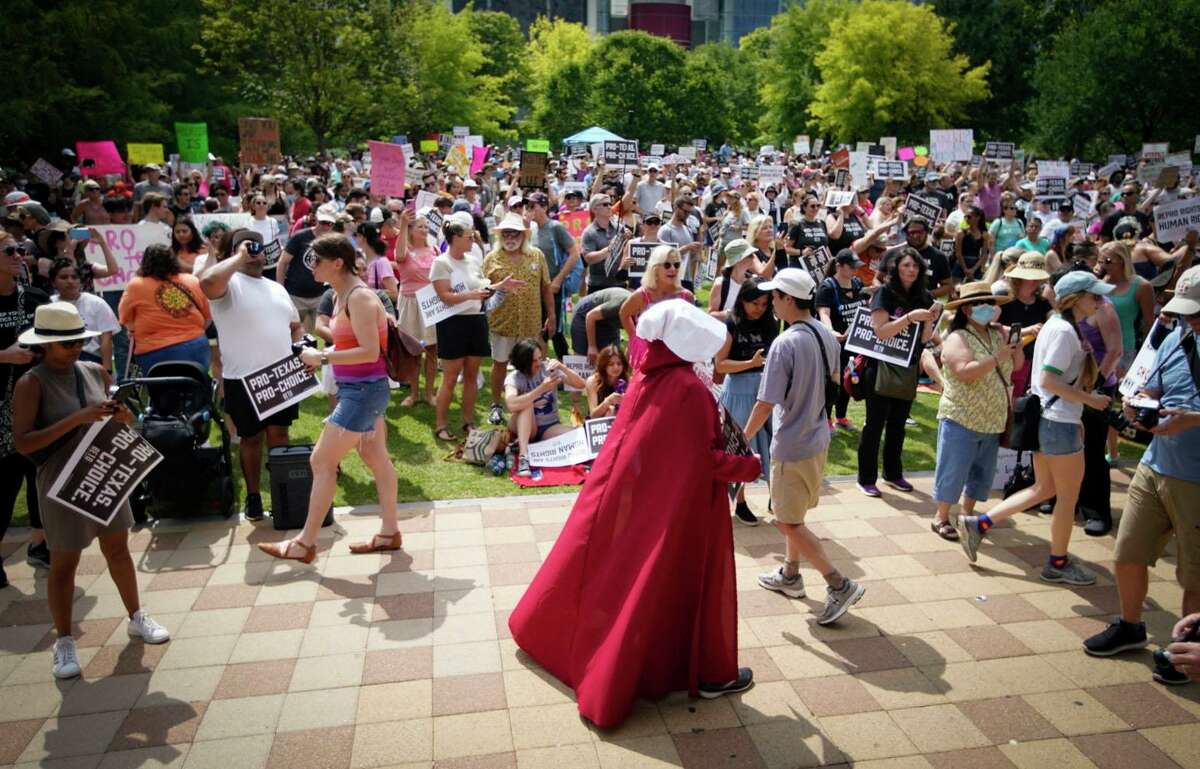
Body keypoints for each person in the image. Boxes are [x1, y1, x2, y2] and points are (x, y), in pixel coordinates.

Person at [508, 299, 762, 728]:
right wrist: (749, 466)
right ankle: (705, 672)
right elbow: (704, 460)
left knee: (640, 582)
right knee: (676, 585)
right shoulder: (689, 388)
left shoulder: (649, 375)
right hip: (685, 507)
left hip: (649, 501)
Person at [12, 303, 170, 678]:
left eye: (78, 340)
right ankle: (64, 641)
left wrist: (123, 417)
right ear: (44, 346)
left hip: (103, 471)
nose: (74, 348)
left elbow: (123, 418)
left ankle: (136, 615)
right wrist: (77, 419)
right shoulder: (31, 383)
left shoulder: (94, 370)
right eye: (66, 344)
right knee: (64, 563)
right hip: (59, 478)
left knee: (118, 549)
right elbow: (23, 443)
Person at [956, 271, 1115, 585]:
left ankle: (980, 524)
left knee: (1045, 489)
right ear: (1075, 299)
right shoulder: (1064, 332)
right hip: (1059, 421)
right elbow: (1048, 380)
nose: (1100, 301)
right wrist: (1089, 400)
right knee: (1066, 498)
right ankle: (1057, 562)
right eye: (1094, 296)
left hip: (1051, 419)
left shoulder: (1060, 326)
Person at [1082, 265, 1200, 684]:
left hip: (1195, 478)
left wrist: (1193, 418)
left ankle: (1189, 652)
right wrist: (1141, 401)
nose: (1190, 319)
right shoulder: (1177, 337)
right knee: (1128, 552)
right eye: (1185, 312)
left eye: (1196, 312)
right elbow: (1155, 385)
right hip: (1155, 464)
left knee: (1194, 572)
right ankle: (1130, 625)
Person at [259, 234, 400, 563]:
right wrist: (318, 354)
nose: (310, 267)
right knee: (376, 458)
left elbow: (368, 351)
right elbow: (356, 345)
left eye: (316, 260)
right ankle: (390, 532)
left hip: (364, 391)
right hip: (360, 390)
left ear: (337, 262)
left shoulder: (359, 298)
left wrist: (322, 358)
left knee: (321, 461)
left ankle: (304, 544)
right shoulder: (341, 295)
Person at [743, 268, 866, 624]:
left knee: (786, 521)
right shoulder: (827, 335)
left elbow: (765, 403)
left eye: (775, 298)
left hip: (792, 443)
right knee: (794, 514)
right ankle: (789, 573)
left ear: (788, 299)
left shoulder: (785, 343)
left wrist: (742, 440)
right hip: (817, 436)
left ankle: (837, 583)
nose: (771, 305)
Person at [199, 229, 302, 521]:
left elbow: (295, 325)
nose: (255, 251)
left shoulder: (276, 288)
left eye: (257, 245)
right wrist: (238, 256)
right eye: (247, 245)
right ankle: (254, 496)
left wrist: (300, 346)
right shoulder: (227, 285)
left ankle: (283, 495)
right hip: (243, 378)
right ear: (233, 251)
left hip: (281, 375)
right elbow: (206, 281)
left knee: (279, 434)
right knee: (251, 438)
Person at [929, 282, 1023, 540]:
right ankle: (941, 516)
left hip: (993, 418)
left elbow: (1017, 366)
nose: (990, 308)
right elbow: (965, 371)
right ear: (968, 309)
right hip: (962, 416)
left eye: (992, 303)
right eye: (983, 304)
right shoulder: (957, 336)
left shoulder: (998, 334)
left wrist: (1016, 348)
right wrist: (999, 356)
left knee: (982, 472)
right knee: (953, 469)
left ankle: (968, 514)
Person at [858, 247, 941, 497]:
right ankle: (866, 478)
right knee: (874, 425)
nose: (911, 270)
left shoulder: (923, 295)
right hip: (881, 368)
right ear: (896, 268)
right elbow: (880, 330)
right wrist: (909, 318)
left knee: (898, 425)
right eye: (906, 265)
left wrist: (929, 319)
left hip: (907, 369)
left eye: (915, 266)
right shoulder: (885, 293)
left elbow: (925, 338)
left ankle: (893, 474)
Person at [431, 220, 520, 441]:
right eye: (469, 237)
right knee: (450, 377)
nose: (473, 240)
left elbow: (482, 288)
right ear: (455, 238)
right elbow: (444, 296)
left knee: (471, 374)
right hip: (452, 323)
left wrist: (500, 287)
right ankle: (440, 424)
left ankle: (468, 422)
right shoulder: (441, 263)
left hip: (476, 320)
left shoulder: (472, 260)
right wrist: (471, 295)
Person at [0, 233, 50, 582]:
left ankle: (39, 542)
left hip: (34, 400)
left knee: (40, 476)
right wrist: (4, 356)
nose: (20, 255)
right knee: (4, 483)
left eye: (21, 249)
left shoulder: (34, 298)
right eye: (9, 251)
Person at [715, 276, 777, 525]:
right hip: (739, 390)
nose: (759, 309)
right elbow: (720, 364)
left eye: (764, 304)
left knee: (774, 445)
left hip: (766, 391)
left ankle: (778, 498)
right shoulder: (731, 323)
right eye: (755, 303)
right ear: (743, 300)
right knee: (741, 447)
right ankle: (739, 502)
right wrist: (749, 364)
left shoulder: (770, 324)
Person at [483, 213, 554, 427]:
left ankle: (532, 402)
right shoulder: (491, 259)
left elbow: (546, 287)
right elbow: (483, 290)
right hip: (502, 322)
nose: (510, 237)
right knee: (500, 364)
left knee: (531, 364)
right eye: (506, 233)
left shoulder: (536, 256)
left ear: (523, 236)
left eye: (514, 233)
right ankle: (496, 405)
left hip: (531, 322)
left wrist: (551, 315)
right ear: (500, 236)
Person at [118, 243, 211, 373]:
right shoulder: (192, 281)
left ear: (145, 262)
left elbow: (125, 319)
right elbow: (207, 318)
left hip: (154, 352)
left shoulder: (136, 285)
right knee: (196, 390)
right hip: (195, 347)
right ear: (173, 260)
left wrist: (136, 331)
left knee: (161, 392)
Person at [505, 339, 587, 478]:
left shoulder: (548, 369)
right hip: (525, 423)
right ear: (524, 361)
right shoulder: (514, 377)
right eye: (534, 360)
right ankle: (524, 457)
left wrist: (562, 367)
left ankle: (525, 446)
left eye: (540, 358)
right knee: (527, 403)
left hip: (548, 427)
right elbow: (511, 404)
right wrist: (542, 388)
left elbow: (581, 384)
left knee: (580, 436)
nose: (538, 363)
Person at [816, 250, 870, 429]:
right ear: (839, 266)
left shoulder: (857, 284)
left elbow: (865, 307)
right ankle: (826, 418)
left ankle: (841, 417)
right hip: (835, 343)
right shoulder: (828, 287)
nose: (855, 270)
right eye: (851, 267)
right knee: (833, 380)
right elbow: (823, 312)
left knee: (850, 377)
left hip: (854, 343)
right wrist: (831, 331)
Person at [620, 245, 695, 369]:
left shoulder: (686, 296)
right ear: (655, 268)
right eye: (667, 265)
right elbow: (624, 313)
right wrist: (634, 337)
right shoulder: (642, 295)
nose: (672, 269)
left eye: (676, 265)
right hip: (647, 354)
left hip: (675, 356)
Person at [392, 208, 439, 407]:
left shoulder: (435, 250)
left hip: (431, 303)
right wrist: (402, 224)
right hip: (410, 303)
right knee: (413, 350)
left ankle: (429, 393)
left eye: (426, 226)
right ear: (410, 230)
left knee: (432, 349)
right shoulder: (405, 250)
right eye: (420, 226)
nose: (425, 230)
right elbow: (399, 256)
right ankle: (413, 393)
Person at [528, 192, 580, 359]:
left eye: (533, 206)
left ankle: (565, 363)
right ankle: (540, 365)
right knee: (537, 327)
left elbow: (574, 253)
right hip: (535, 286)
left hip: (552, 287)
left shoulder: (556, 227)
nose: (529, 210)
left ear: (544, 207)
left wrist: (558, 280)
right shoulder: (531, 229)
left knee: (554, 327)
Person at [999, 252, 1053, 396]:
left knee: (1018, 401)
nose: (1035, 282)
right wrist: (1026, 331)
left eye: (1038, 278)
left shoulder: (1042, 303)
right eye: (1031, 278)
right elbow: (993, 326)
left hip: (1031, 361)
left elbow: (1053, 320)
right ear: (1019, 278)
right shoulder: (1003, 299)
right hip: (1005, 358)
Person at [49, 258, 118, 371]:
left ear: (80, 281)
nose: (70, 281)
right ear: (53, 282)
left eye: (74, 277)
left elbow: (106, 340)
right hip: (58, 362)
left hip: (91, 360)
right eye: (64, 277)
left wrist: (107, 371)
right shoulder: (48, 305)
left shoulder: (97, 303)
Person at [276, 202, 336, 331]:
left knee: (320, 333)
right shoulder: (300, 237)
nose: (326, 227)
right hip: (295, 295)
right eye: (323, 222)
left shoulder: (333, 241)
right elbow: (283, 262)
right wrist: (280, 289)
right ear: (316, 219)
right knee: (291, 332)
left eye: (329, 223)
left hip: (320, 295)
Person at [569, 286, 630, 363]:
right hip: (586, 314)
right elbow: (590, 316)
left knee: (613, 357)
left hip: (608, 320)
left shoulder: (642, 322)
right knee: (584, 358)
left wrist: (625, 368)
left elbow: (632, 343)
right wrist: (592, 346)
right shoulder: (620, 304)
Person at [581, 194, 626, 292]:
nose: (610, 207)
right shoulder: (589, 232)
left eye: (610, 203)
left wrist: (629, 240)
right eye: (605, 204)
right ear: (594, 209)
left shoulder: (620, 228)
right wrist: (609, 249)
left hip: (620, 284)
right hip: (598, 286)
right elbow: (589, 258)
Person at [708, 239, 761, 321]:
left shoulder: (752, 282)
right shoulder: (720, 284)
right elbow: (711, 315)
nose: (754, 258)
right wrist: (730, 314)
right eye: (750, 255)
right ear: (737, 260)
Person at [585, 344, 629, 419]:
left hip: (620, 421)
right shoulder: (593, 381)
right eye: (611, 364)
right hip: (597, 424)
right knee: (610, 410)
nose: (616, 367)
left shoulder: (627, 381)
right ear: (603, 365)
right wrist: (608, 401)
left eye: (619, 364)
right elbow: (592, 415)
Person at [952, 205, 991, 283]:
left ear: (977, 218)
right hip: (961, 264)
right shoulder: (961, 233)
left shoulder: (984, 234)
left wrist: (973, 269)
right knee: (956, 291)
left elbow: (984, 255)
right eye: (965, 217)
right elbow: (958, 253)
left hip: (975, 265)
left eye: (969, 217)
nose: (966, 219)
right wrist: (965, 269)